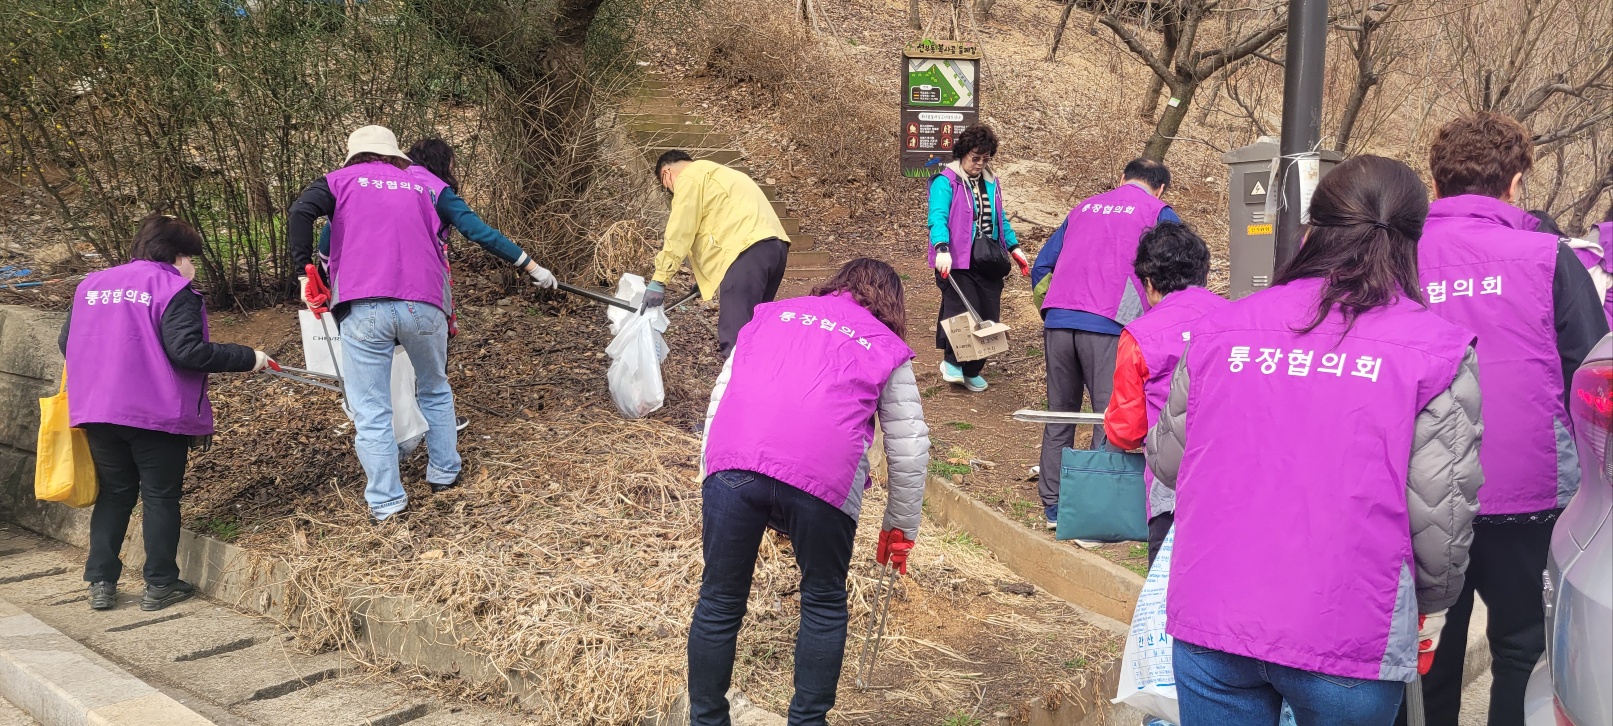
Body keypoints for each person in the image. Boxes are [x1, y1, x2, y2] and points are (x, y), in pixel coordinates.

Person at [1147, 156, 1485, 725]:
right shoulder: (1437, 351)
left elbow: (1168, 460)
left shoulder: (1221, 329)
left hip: (1215, 614)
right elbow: (1440, 516)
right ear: (1411, 244)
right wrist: (1429, 604)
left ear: (1311, 231)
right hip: (1350, 629)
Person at [1407, 112, 1608, 726]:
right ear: (1516, 183)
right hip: (1531, 494)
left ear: (1435, 183)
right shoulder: (1549, 258)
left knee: (1429, 651)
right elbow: (1589, 366)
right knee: (1522, 649)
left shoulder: (1394, 255)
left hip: (1419, 494)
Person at [688, 258, 930, 725]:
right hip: (822, 479)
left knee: (719, 598)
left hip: (734, 462)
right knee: (822, 599)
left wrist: (708, 474)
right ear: (892, 305)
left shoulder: (769, 315)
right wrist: (898, 532)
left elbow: (721, 395)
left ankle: (707, 720)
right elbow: (910, 450)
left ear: (837, 282)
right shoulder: (886, 344)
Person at [288, 125, 553, 521]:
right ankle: (444, 473)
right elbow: (475, 232)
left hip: (362, 305)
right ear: (395, 156)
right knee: (434, 389)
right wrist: (530, 265)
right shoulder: (424, 188)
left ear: (354, 156)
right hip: (425, 303)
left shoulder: (340, 183)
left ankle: (387, 501)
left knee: (372, 408)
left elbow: (302, 215)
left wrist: (305, 273)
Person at [59, 215, 272, 611]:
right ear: (177, 255)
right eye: (191, 258)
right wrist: (249, 357)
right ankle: (160, 583)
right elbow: (188, 351)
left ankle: (101, 582)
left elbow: (66, 342)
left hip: (96, 410)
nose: (193, 267)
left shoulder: (90, 285)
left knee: (115, 494)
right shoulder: (174, 288)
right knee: (159, 497)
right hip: (153, 412)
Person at [316, 136, 550, 432]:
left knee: (376, 380)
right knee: (432, 376)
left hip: (360, 296)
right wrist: (530, 265)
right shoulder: (434, 190)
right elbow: (481, 233)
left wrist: (323, 274)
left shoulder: (367, 184)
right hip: (420, 293)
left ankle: (397, 430)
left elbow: (330, 235)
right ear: (443, 163)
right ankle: (435, 432)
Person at [1033, 158, 1180, 530]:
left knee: (1059, 413)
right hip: (1112, 324)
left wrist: (1051, 309)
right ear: (1160, 187)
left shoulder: (1083, 207)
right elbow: (1173, 272)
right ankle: (1091, 510)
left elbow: (1041, 266)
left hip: (1059, 319)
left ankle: (1053, 504)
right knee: (1108, 415)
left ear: (1122, 178)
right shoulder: (1160, 212)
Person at [1099, 221, 1221, 566]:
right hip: (1237, 480)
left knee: (1169, 595)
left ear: (1149, 283)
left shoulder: (1141, 334)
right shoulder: (1239, 319)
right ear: (1203, 274)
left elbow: (1126, 429)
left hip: (1173, 487)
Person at [646, 150, 790, 357]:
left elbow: (681, 230)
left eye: (665, 185)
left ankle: (736, 387)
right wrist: (711, 276)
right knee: (754, 329)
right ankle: (759, 384)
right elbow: (724, 221)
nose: (669, 190)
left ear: (667, 173)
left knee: (735, 334)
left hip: (744, 252)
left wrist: (659, 279)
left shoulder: (690, 177)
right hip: (775, 248)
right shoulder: (725, 174)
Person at [927, 124, 1027, 393]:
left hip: (988, 259)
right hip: (956, 260)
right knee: (962, 311)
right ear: (963, 153)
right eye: (975, 158)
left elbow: (999, 218)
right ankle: (952, 362)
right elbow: (937, 217)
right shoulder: (945, 181)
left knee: (988, 314)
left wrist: (1015, 248)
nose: (980, 164)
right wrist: (942, 248)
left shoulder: (991, 183)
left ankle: (972, 369)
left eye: (985, 159)